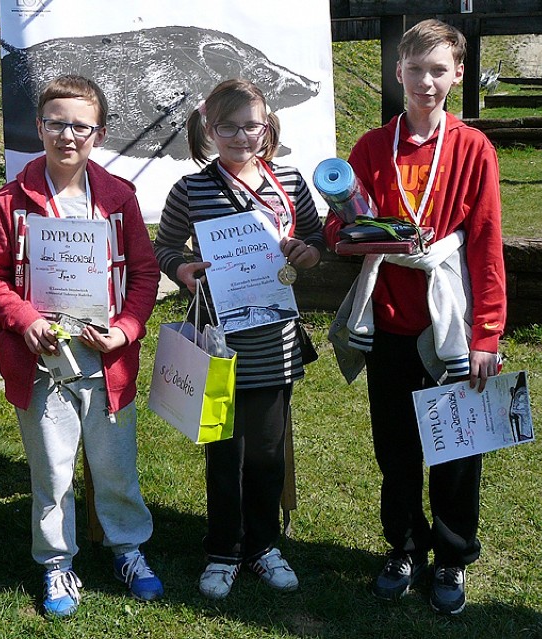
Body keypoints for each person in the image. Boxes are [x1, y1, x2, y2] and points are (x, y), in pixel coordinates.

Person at [324, 20, 506, 615]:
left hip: (449, 323)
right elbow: (336, 232)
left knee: (456, 448)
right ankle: (402, 546)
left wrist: (486, 332)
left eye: (438, 70)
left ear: (457, 74)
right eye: (414, 69)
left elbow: (483, 244)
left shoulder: (474, 148)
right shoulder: (372, 147)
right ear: (397, 72)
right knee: (396, 449)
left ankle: (451, 554)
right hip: (389, 324)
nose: (426, 81)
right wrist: (365, 235)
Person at [0, 75, 163, 617]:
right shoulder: (11, 200)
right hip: (42, 359)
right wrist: (24, 318)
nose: (68, 135)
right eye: (57, 123)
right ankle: (57, 562)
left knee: (116, 466)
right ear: (40, 128)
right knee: (52, 471)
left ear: (98, 134)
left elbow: (145, 275)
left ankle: (128, 549)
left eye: (81, 125)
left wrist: (126, 329)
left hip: (106, 359)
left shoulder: (118, 198)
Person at [153, 79, 324, 600]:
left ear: (267, 125)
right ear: (210, 129)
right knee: (223, 453)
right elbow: (164, 247)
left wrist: (307, 253)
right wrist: (183, 269)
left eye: (251, 125)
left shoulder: (291, 181)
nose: (241, 136)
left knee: (269, 453)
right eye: (229, 127)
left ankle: (264, 547)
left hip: (275, 339)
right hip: (217, 341)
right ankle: (223, 550)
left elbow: (314, 241)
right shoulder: (190, 189)